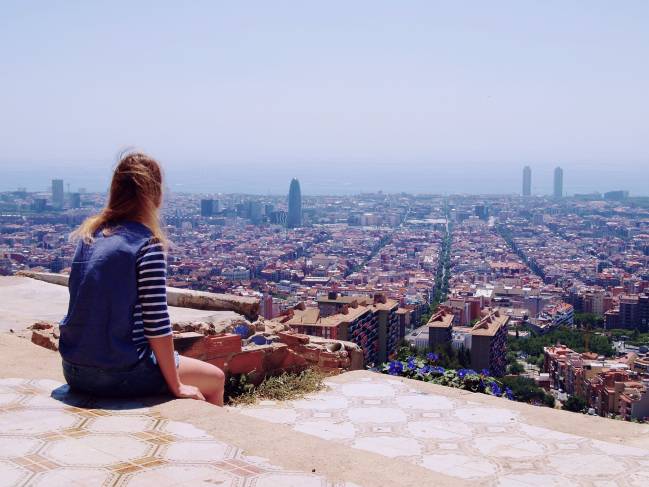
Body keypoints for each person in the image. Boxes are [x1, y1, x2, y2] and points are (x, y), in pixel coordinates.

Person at [59, 152, 225, 406]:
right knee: (216, 378)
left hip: (73, 369)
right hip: (120, 373)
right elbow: (157, 324)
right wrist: (177, 385)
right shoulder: (147, 245)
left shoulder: (89, 237)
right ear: (154, 195)